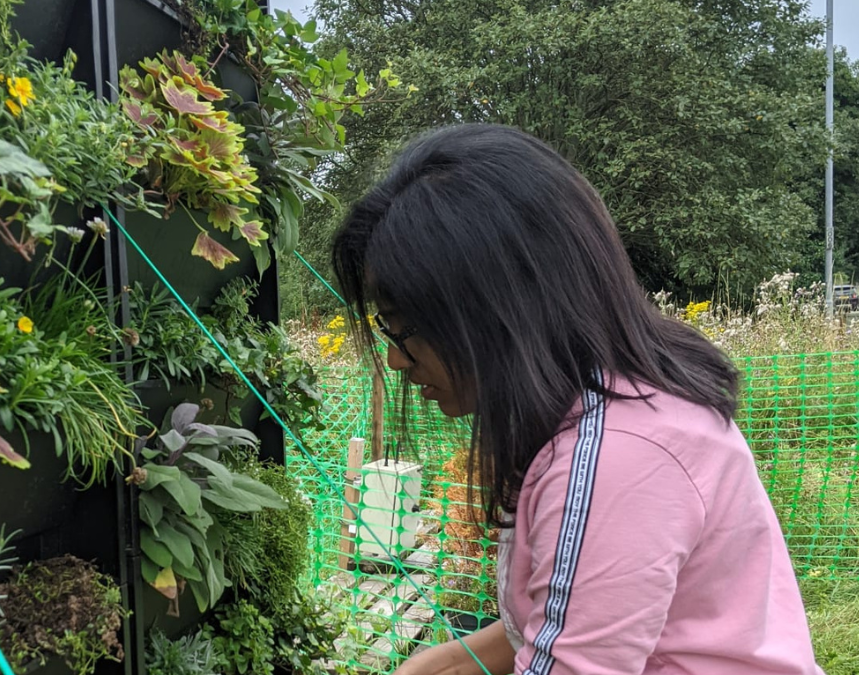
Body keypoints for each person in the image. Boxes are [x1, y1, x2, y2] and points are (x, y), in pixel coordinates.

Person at [330, 124, 824, 675]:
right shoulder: (614, 406)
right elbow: (558, 627)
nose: (396, 359)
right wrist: (437, 664)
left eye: (403, 328)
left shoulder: (617, 456)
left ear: (496, 309)